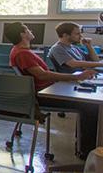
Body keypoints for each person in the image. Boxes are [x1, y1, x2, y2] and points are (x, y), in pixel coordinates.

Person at [6, 22, 99, 158]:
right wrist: (76, 77)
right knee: (90, 106)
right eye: (27, 29)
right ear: (22, 34)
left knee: (90, 103)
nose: (30, 30)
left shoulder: (21, 51)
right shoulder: (23, 53)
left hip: (48, 90)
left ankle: (86, 147)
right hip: (44, 95)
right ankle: (87, 151)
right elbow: (43, 75)